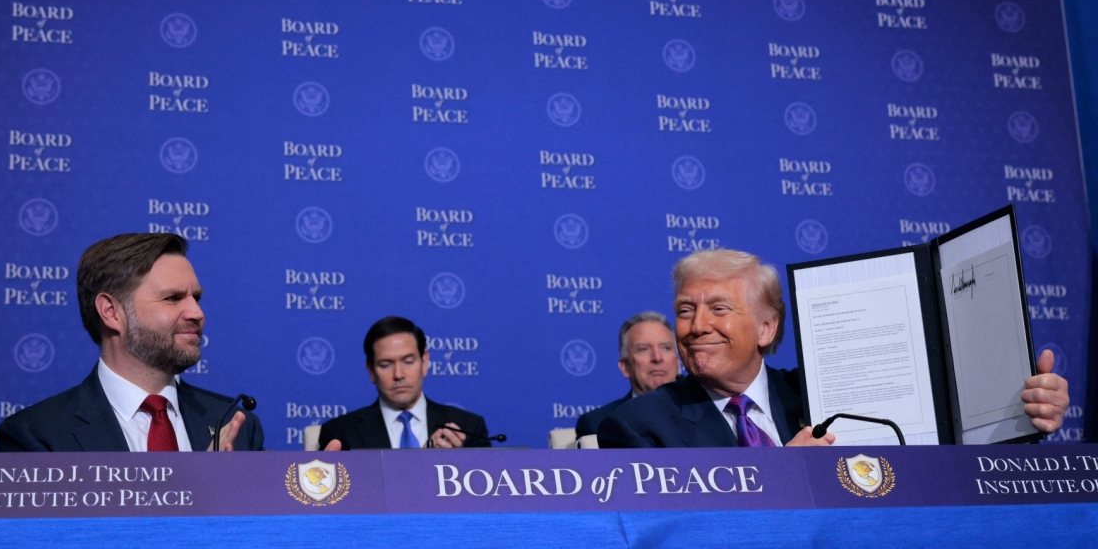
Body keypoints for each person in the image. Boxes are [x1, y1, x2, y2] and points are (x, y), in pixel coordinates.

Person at [599, 248, 1069, 448]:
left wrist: (1020, 411)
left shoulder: (827, 392)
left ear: (766, 328)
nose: (697, 326)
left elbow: (939, 439)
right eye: (685, 310)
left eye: (719, 309)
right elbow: (666, 534)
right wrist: (776, 478)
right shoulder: (640, 426)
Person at [0, 233, 263, 452]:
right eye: (172, 298)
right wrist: (201, 489)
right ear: (111, 312)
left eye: (197, 298)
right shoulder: (37, 436)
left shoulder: (235, 425)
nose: (197, 313)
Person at [318, 316, 490, 450]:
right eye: (385, 365)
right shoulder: (340, 433)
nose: (399, 374)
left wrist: (459, 464)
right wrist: (421, 464)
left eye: (408, 362)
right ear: (371, 370)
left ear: (425, 362)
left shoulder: (468, 427)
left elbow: (485, 492)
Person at [575, 311, 680, 437]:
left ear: (678, 362)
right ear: (625, 367)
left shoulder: (705, 411)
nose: (657, 357)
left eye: (666, 348)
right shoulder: (598, 424)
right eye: (643, 349)